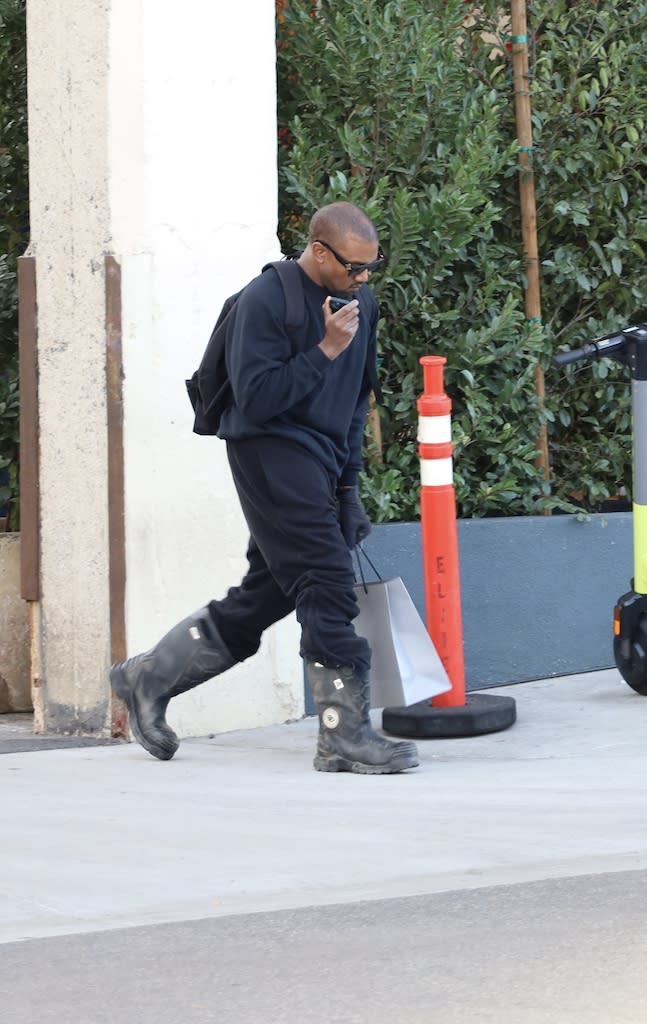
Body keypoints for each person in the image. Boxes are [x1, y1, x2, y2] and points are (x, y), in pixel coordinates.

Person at [110, 201, 419, 775]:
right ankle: (343, 736)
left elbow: (356, 400)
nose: (363, 279)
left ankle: (147, 676)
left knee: (273, 590)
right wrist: (324, 348)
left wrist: (348, 487)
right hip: (269, 451)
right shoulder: (266, 301)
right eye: (354, 268)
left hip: (322, 460)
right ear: (320, 252)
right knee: (326, 580)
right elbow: (258, 398)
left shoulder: (361, 304)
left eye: (371, 268)